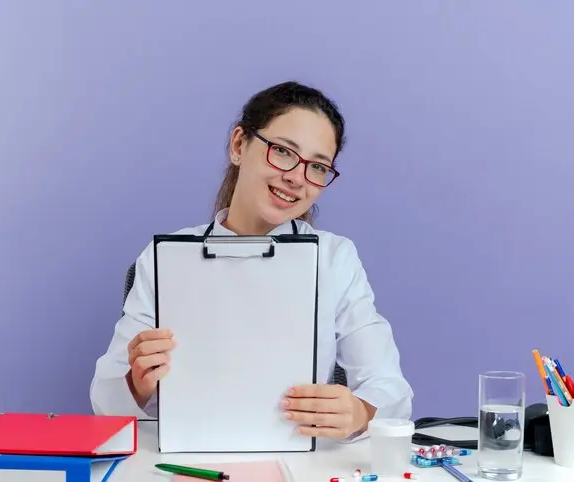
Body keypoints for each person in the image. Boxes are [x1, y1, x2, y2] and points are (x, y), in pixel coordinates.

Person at [90, 80, 413, 441]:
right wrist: (137, 381)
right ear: (239, 145)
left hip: (297, 460)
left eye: (318, 167)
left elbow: (390, 389)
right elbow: (106, 403)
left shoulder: (334, 258)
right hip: (188, 455)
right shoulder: (167, 257)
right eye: (283, 151)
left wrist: (359, 412)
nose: (295, 177)